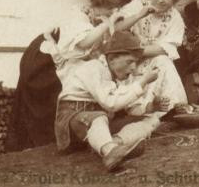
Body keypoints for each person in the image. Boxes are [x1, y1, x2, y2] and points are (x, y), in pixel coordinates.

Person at [6, 0, 130, 151]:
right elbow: (84, 42)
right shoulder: (77, 16)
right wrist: (108, 23)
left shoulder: (92, 17)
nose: (112, 14)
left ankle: (74, 135)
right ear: (106, 6)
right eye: (112, 10)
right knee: (50, 98)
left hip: (59, 57)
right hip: (43, 60)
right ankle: (47, 140)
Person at [54, 31, 163, 171]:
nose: (133, 68)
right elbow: (110, 104)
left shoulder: (117, 76)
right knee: (99, 117)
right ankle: (109, 151)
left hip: (99, 127)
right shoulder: (93, 68)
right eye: (129, 62)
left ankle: (116, 144)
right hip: (73, 122)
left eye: (136, 63)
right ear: (111, 59)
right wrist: (142, 82)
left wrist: (150, 107)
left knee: (151, 119)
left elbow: (131, 108)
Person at [113, 0, 188, 114]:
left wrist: (137, 51)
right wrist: (139, 15)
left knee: (163, 61)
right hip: (127, 60)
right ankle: (138, 108)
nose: (160, 0)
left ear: (174, 1)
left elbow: (166, 49)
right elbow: (116, 29)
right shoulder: (137, 5)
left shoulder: (175, 18)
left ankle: (172, 107)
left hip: (152, 58)